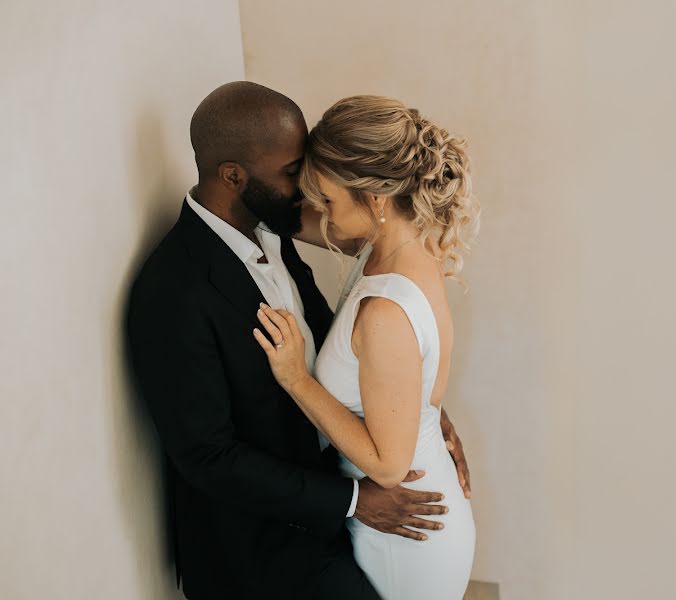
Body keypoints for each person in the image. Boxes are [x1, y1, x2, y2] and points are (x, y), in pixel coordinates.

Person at [127, 82, 470, 600]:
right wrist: (352, 500)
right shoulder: (175, 290)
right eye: (293, 173)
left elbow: (361, 348)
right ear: (234, 176)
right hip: (261, 548)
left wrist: (415, 408)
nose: (308, 188)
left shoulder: (278, 234)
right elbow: (207, 457)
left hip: (343, 512)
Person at [254, 95, 480, 600]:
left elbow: (387, 466)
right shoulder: (398, 246)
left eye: (329, 199)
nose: (321, 212)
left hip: (407, 532)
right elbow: (294, 221)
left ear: (376, 200)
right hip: (409, 510)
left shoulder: (384, 313)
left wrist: (295, 378)